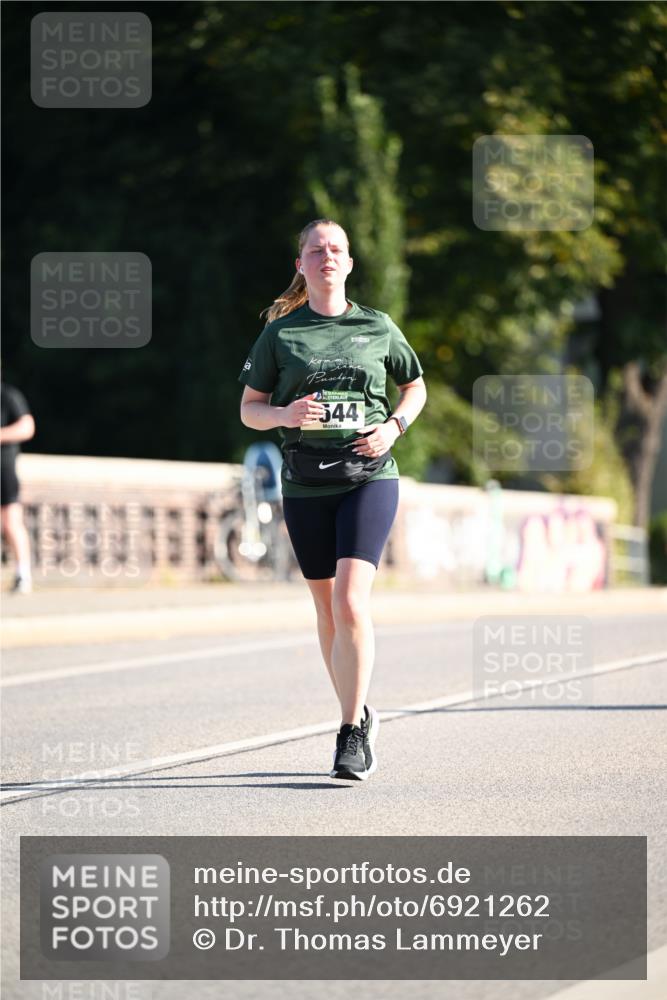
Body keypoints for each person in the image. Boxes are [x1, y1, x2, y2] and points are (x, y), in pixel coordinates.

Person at [238, 219, 427, 781]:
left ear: (349, 264)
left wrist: (394, 427)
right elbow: (250, 407)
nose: (326, 257)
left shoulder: (377, 326)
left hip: (369, 475)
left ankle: (351, 732)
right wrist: (284, 414)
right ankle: (360, 703)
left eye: (336, 250)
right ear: (300, 264)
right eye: (315, 250)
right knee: (325, 610)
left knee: (349, 602)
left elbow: (414, 386)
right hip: (305, 483)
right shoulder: (282, 334)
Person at [1, 379, 36, 593]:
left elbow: (27, 427)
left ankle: (23, 575)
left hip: (3, 470)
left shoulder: (8, 395)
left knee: (11, 522)